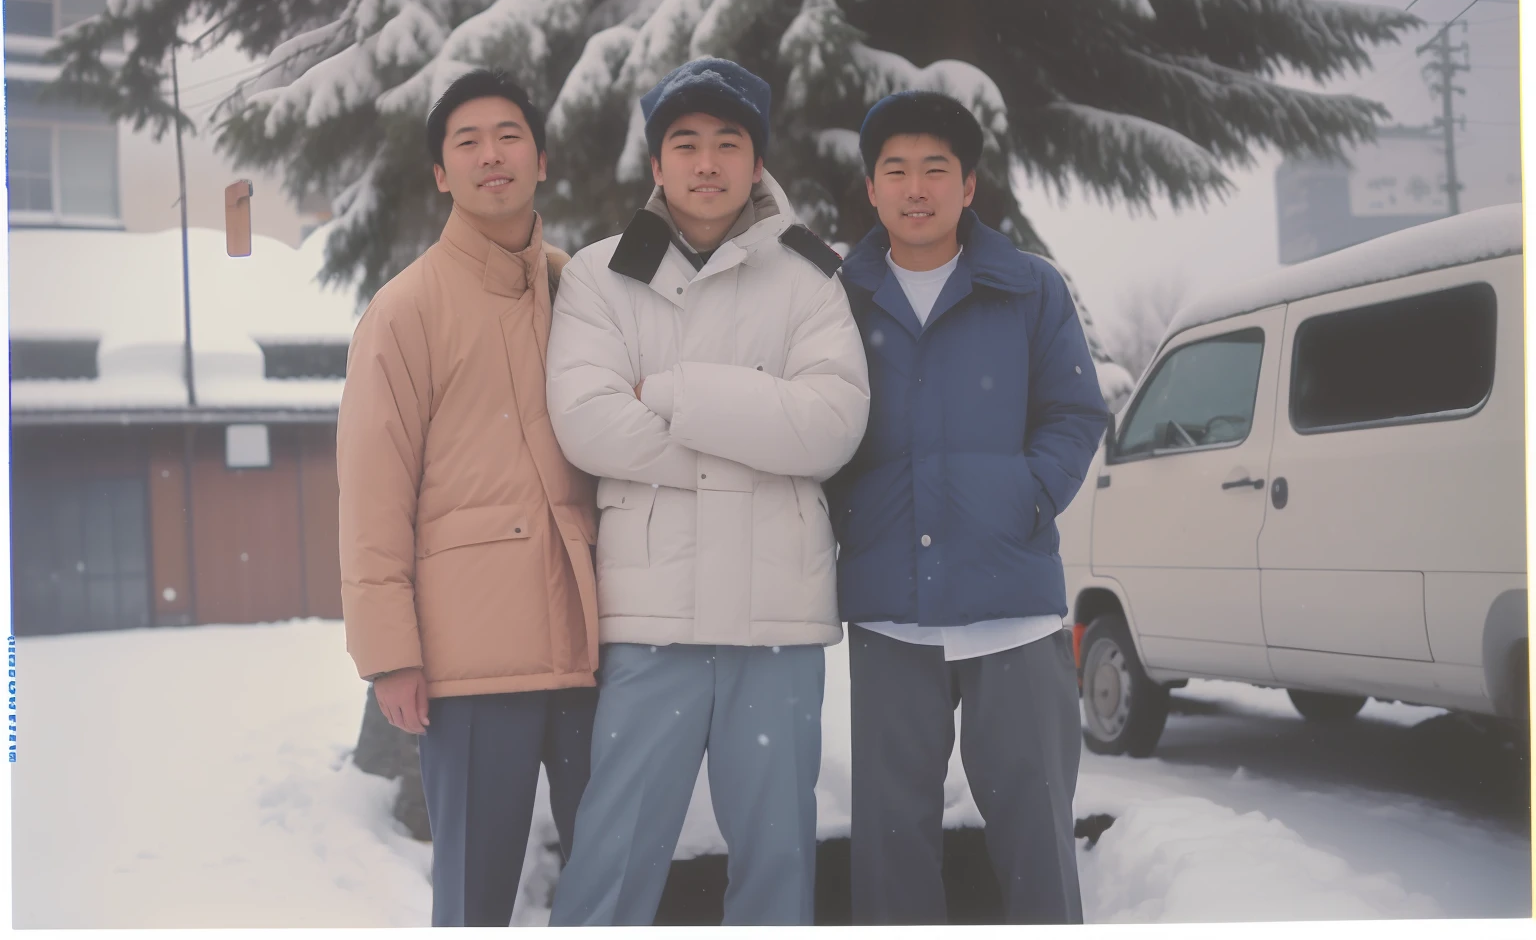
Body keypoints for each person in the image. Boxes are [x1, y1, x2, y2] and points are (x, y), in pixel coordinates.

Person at [543, 57, 870, 926]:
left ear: (756, 162)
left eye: (729, 143)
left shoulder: (811, 275)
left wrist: (679, 395)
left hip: (778, 617)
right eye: (684, 144)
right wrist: (765, 437)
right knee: (612, 852)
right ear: (656, 165)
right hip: (652, 616)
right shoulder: (600, 275)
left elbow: (833, 425)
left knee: (777, 859)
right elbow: (588, 423)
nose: (707, 162)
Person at [828, 91, 1109, 925]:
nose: (917, 189)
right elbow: (813, 423)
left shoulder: (1027, 288)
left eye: (936, 170)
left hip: (1010, 605)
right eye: (896, 171)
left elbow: (1075, 412)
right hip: (890, 607)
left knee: (1034, 826)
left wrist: (1023, 497)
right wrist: (854, 515)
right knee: (890, 834)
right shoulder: (838, 296)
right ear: (871, 189)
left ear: (969, 185)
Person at [336, 68, 600, 927]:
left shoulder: (582, 292)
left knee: (611, 883)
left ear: (541, 158)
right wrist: (391, 652)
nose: (492, 154)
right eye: (467, 142)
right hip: (470, 663)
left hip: (594, 648)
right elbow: (372, 492)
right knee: (474, 898)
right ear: (443, 174)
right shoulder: (406, 309)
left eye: (509, 135)